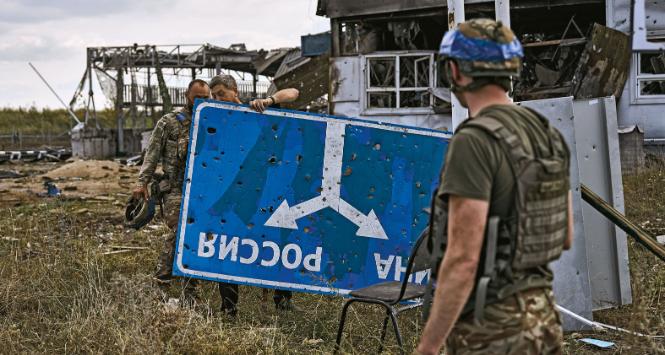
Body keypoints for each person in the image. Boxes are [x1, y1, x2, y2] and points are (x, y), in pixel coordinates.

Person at [416, 19, 574, 355]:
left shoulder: (474, 141)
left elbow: (463, 260)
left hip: (489, 331)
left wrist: (428, 348)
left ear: (455, 71)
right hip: (543, 321)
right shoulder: (547, 132)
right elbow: (565, 235)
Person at [208, 74, 300, 316]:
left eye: (220, 94)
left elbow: (293, 93)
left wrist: (269, 101)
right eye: (213, 96)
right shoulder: (214, 121)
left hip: (268, 190)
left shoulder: (256, 110)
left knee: (275, 245)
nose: (217, 99)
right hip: (236, 195)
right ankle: (229, 308)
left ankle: (282, 301)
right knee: (228, 248)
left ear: (234, 90)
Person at [132, 79, 210, 304]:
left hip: (201, 192)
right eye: (197, 98)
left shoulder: (213, 121)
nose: (201, 102)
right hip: (174, 189)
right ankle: (161, 280)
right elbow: (152, 153)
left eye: (206, 98)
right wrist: (142, 182)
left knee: (194, 237)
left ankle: (190, 290)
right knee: (180, 231)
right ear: (187, 95)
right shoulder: (169, 123)